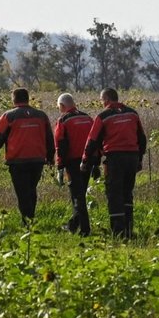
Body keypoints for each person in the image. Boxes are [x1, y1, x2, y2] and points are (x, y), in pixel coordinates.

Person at [81, 88, 147, 239]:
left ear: (107, 99)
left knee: (114, 194)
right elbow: (142, 138)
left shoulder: (103, 116)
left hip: (114, 159)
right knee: (127, 193)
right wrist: (140, 159)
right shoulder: (132, 113)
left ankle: (118, 232)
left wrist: (85, 160)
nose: (101, 103)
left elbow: (92, 140)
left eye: (101, 100)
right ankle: (129, 229)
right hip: (132, 158)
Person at [0, 88, 54, 225]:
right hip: (37, 160)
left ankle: (27, 222)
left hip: (17, 161)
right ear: (28, 99)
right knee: (31, 189)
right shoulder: (41, 116)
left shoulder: (9, 116)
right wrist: (51, 156)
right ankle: (31, 218)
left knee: (22, 192)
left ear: (14, 100)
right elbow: (49, 138)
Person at [54, 93, 93, 236]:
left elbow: (60, 144)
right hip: (87, 161)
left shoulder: (63, 120)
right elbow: (95, 139)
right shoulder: (88, 118)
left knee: (77, 196)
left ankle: (85, 229)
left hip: (72, 163)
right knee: (80, 193)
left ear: (63, 106)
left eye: (58, 106)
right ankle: (72, 225)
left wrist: (60, 166)